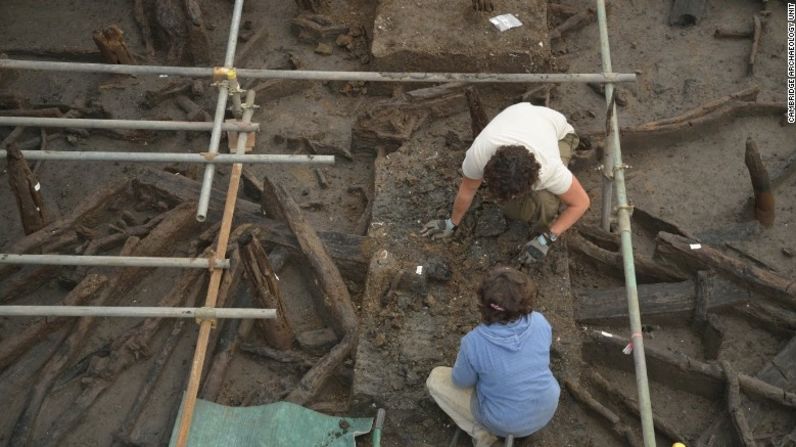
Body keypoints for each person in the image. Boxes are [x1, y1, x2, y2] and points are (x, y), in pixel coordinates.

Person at [420, 103, 590, 264]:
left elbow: (581, 203)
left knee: (544, 202)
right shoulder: (479, 155)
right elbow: (467, 189)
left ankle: (540, 230)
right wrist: (451, 223)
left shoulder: (549, 169)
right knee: (514, 209)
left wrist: (547, 239)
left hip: (560, 133)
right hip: (521, 115)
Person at [426, 267, 560, 447]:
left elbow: (460, 382)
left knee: (436, 378)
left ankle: (485, 437)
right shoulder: (540, 321)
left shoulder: (474, 342)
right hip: (546, 407)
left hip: (505, 422)